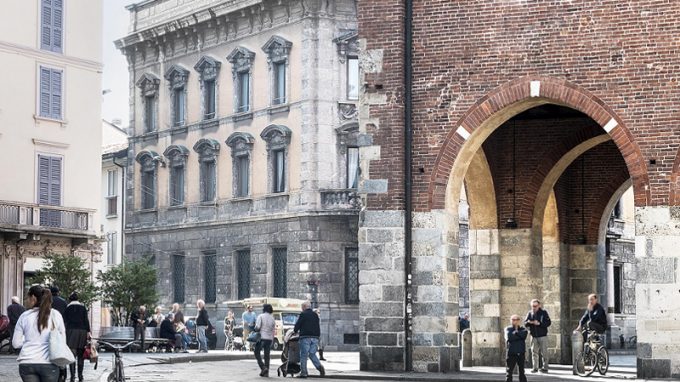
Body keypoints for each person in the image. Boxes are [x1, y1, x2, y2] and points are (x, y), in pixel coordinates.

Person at [12, 285, 66, 382]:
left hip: (27, 362)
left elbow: (16, 344)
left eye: (27, 297)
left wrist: (28, 339)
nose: (26, 300)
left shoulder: (24, 316)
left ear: (33, 298)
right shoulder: (55, 315)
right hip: (49, 363)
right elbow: (62, 341)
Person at [293, 301, 325, 378]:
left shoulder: (303, 314)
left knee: (304, 355)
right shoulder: (315, 315)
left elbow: (298, 324)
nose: (301, 309)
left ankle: (304, 373)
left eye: (302, 307)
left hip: (305, 337)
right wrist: (317, 336)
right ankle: (320, 367)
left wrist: (295, 331)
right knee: (312, 354)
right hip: (315, 337)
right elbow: (317, 325)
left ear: (304, 307)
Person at [63, 293, 90, 382]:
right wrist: (88, 332)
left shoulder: (68, 308)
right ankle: (80, 376)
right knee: (81, 354)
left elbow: (65, 321)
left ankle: (72, 376)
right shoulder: (83, 308)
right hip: (82, 332)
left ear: (70, 299)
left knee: (72, 355)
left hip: (71, 332)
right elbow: (86, 320)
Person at [524, 299, 551, 373]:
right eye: (532, 306)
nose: (534, 307)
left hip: (542, 335)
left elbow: (548, 323)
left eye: (535, 306)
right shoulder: (530, 313)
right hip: (533, 335)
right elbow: (525, 323)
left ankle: (545, 368)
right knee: (534, 352)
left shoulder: (543, 313)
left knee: (544, 352)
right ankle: (535, 368)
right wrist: (531, 322)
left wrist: (540, 324)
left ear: (539, 305)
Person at [50, 286, 67, 382]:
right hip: (60, 328)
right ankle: (62, 373)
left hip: (49, 328)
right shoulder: (63, 301)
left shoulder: (47, 301)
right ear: (58, 292)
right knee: (60, 350)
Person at [253, 304, 276, 377]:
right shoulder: (272, 318)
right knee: (267, 355)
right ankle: (266, 372)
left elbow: (258, 327)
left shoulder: (261, 316)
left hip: (262, 338)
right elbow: (273, 330)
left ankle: (263, 367)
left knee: (256, 352)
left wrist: (254, 328)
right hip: (269, 339)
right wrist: (272, 339)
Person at [505, 314, 528, 382]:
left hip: (521, 353)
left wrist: (515, 333)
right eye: (513, 319)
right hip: (512, 352)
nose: (515, 321)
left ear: (519, 321)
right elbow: (509, 337)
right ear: (510, 321)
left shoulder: (523, 329)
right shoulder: (508, 329)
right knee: (509, 372)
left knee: (522, 372)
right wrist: (519, 335)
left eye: (517, 319)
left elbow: (524, 335)